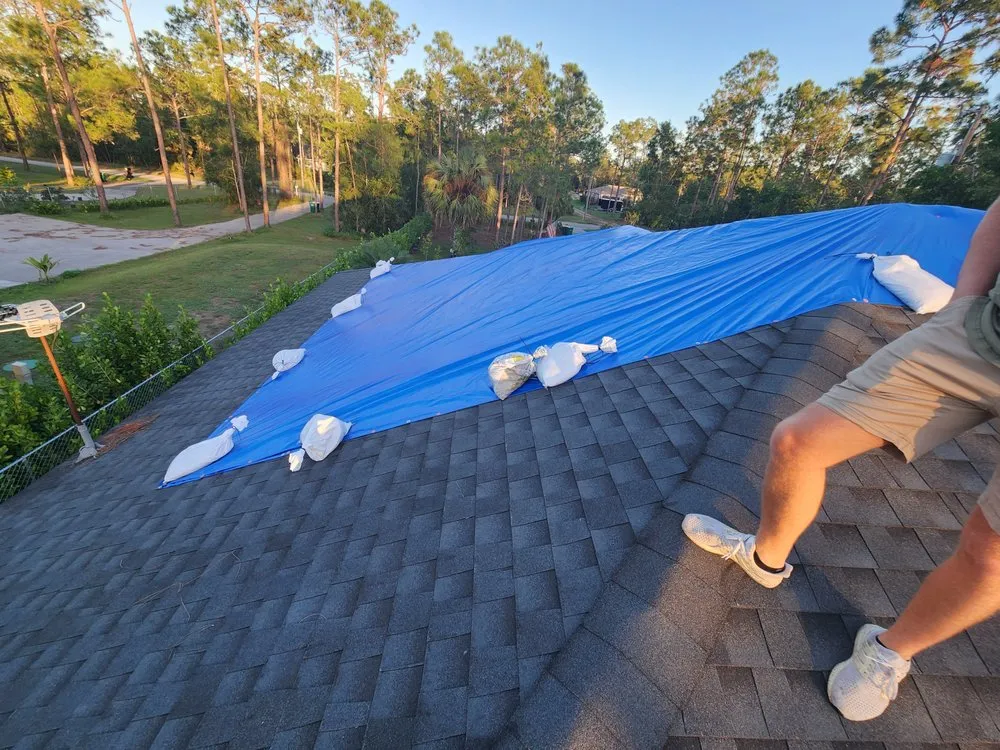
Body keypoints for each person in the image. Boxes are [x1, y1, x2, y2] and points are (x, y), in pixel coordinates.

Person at [683, 195, 1000, 722]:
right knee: (797, 441)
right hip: (982, 337)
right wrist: (966, 300)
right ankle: (764, 557)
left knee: (991, 553)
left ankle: (889, 651)